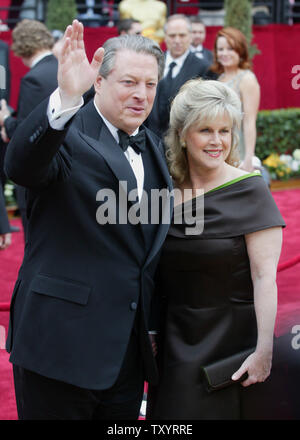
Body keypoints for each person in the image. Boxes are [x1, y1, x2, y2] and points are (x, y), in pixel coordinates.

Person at [4, 19, 172, 420]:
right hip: (60, 348)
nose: (141, 95)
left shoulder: (153, 145)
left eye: (150, 85)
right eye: (129, 82)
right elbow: (21, 166)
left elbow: (143, 251)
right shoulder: (68, 131)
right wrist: (64, 96)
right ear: (98, 81)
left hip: (127, 358)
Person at [146, 79, 285, 420]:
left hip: (231, 344)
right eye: (205, 130)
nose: (217, 141)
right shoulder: (163, 190)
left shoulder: (249, 190)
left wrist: (264, 350)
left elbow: (265, 276)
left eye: (225, 130)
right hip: (173, 340)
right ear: (182, 134)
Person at [0, 19, 58, 237]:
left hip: (38, 175)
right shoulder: (59, 68)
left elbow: (27, 134)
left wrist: (6, 120)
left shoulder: (34, 78)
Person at [147, 14, 209, 138]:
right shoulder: (152, 62)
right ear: (165, 37)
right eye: (172, 35)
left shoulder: (203, 67)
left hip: (182, 140)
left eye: (182, 35)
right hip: (150, 138)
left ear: (191, 37)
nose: (177, 40)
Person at [210, 27, 260, 173]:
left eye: (230, 48)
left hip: (239, 151)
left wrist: (249, 158)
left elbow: (250, 121)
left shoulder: (247, 79)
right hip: (219, 147)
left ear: (240, 51)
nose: (224, 53)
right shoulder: (219, 79)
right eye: (221, 49)